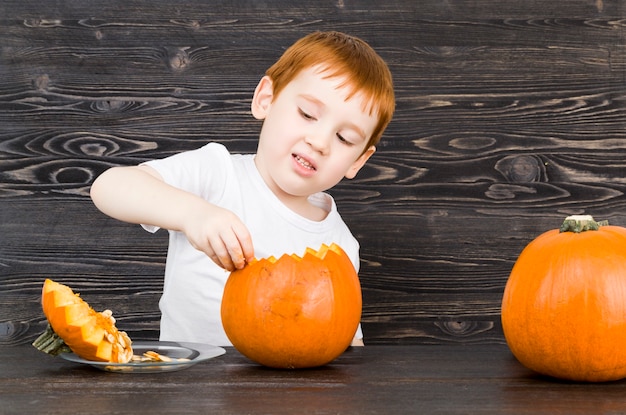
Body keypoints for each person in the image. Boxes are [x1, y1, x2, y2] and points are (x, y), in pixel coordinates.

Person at [90, 31, 395, 347]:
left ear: (357, 161)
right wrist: (192, 214)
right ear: (267, 99)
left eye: (344, 138)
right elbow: (109, 187)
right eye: (307, 114)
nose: (319, 142)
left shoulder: (340, 244)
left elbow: (344, 338)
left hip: (291, 393)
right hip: (191, 389)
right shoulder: (218, 173)